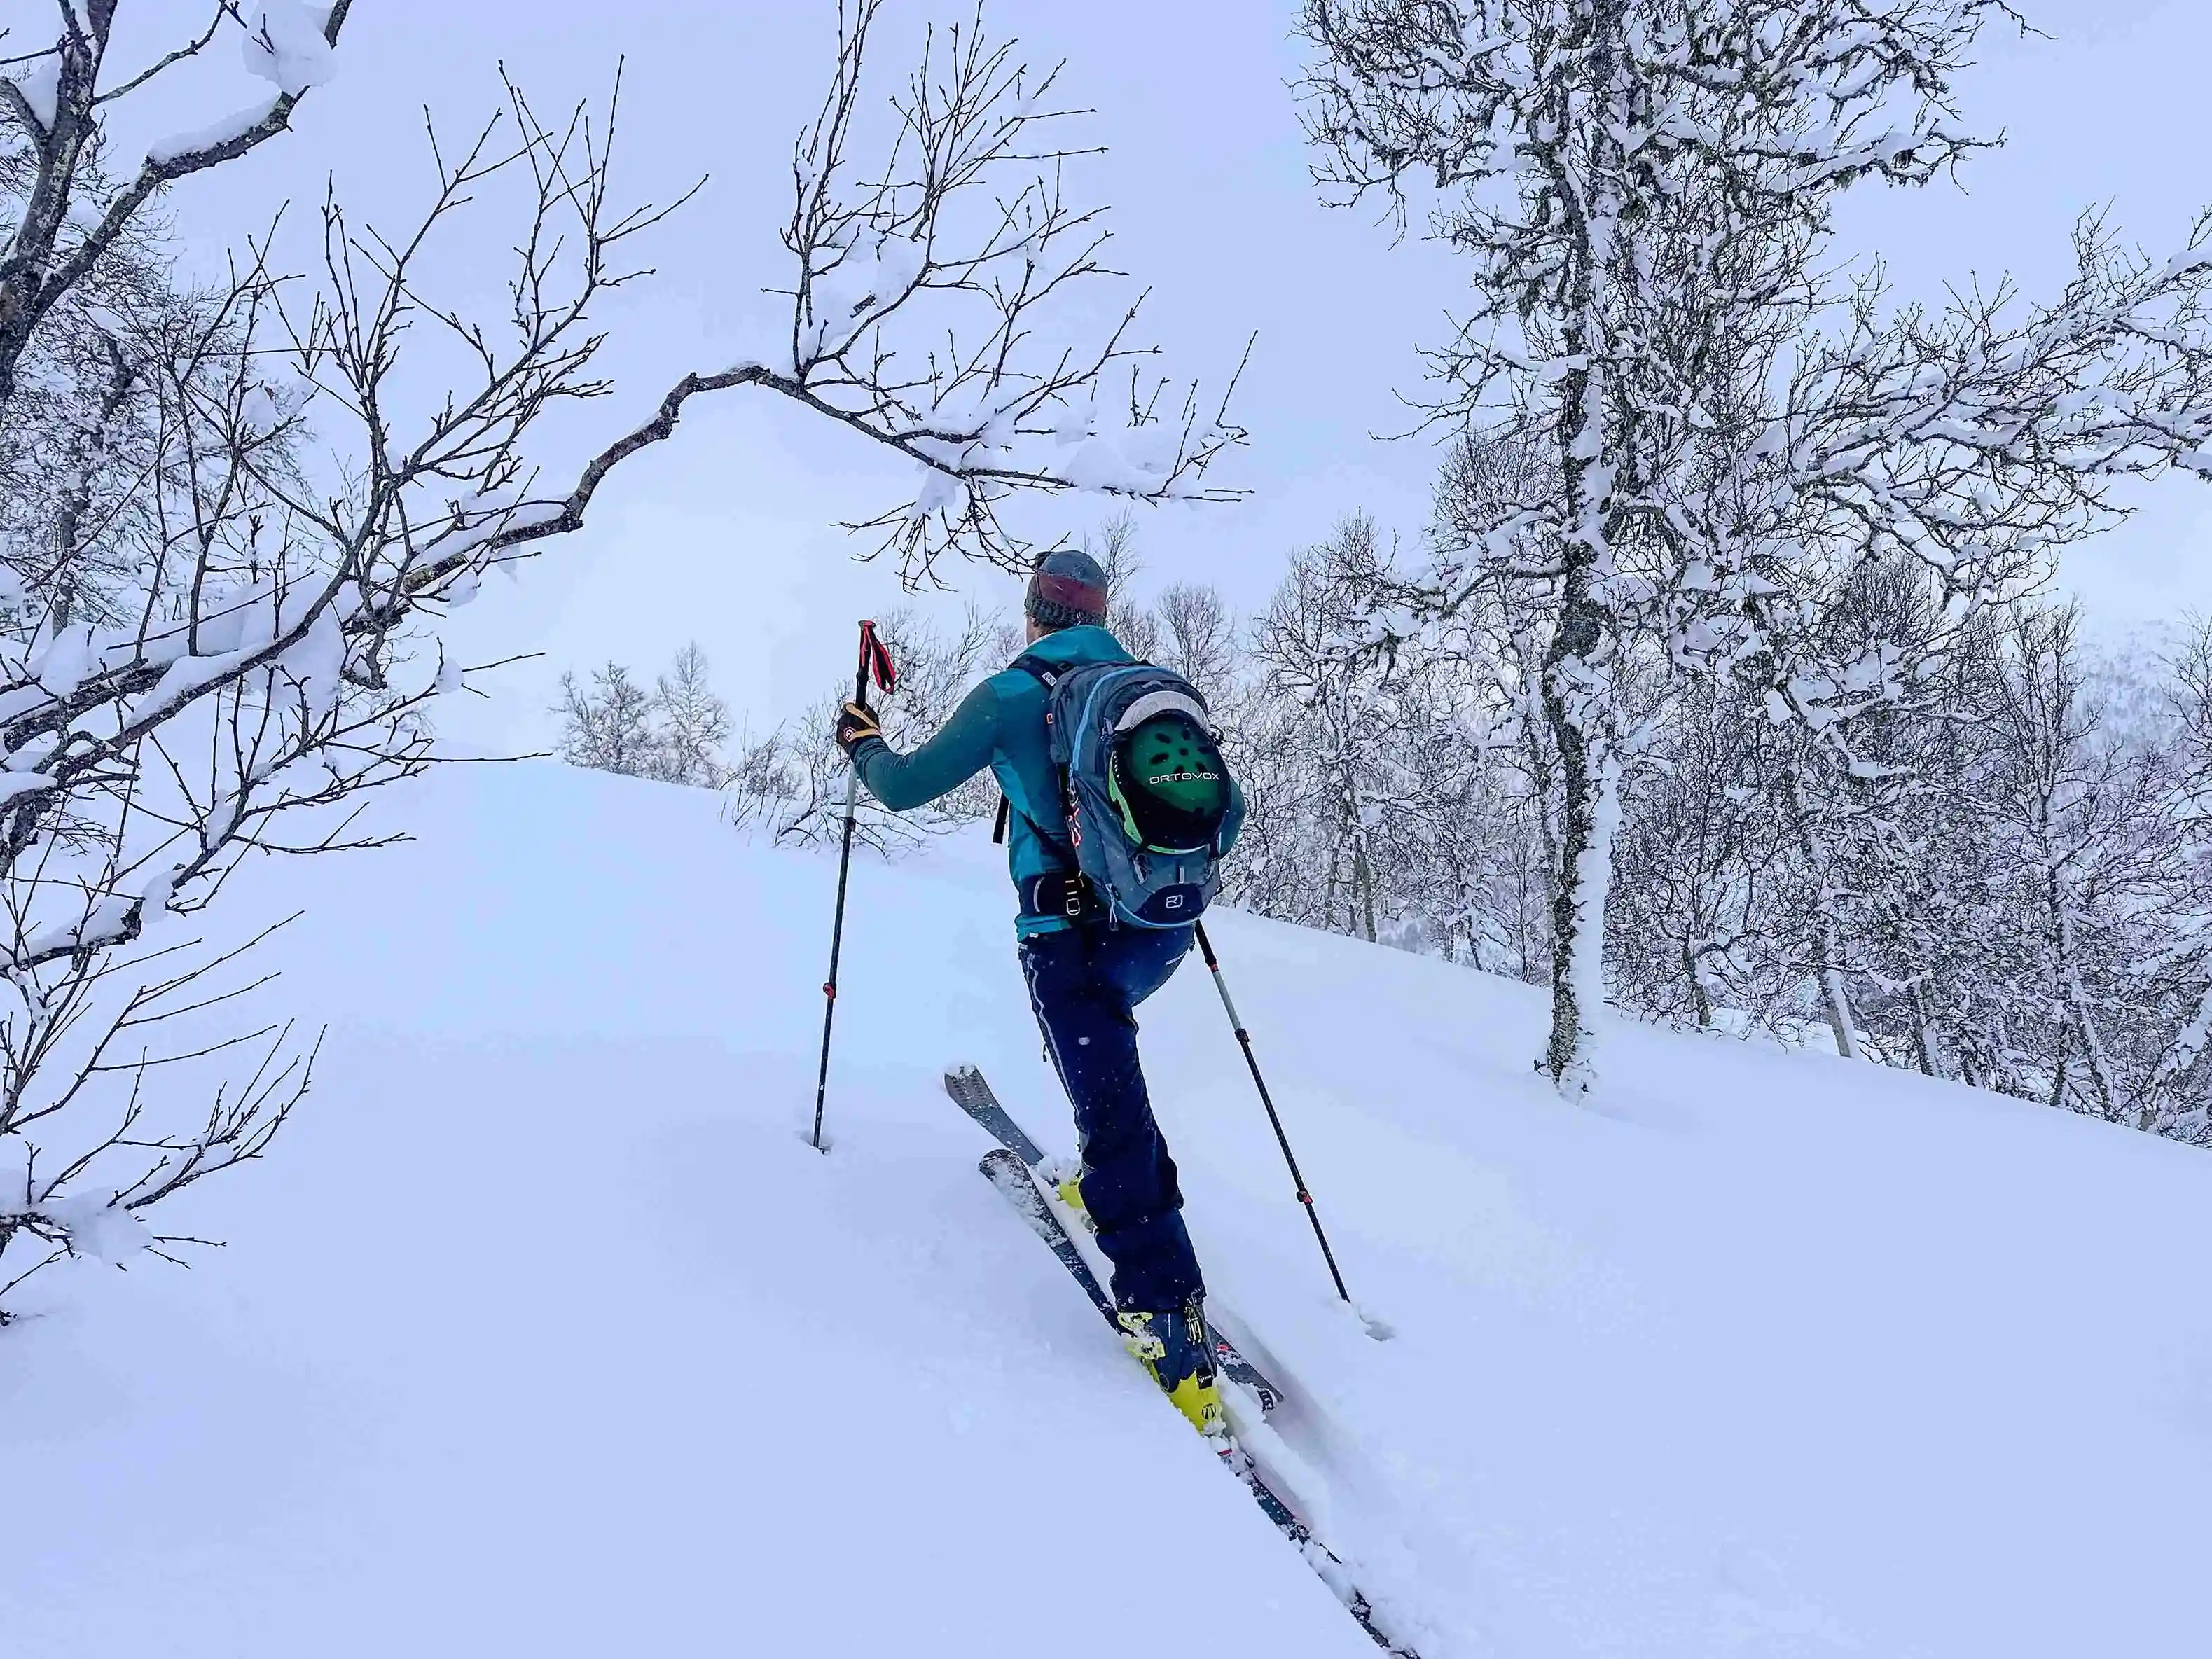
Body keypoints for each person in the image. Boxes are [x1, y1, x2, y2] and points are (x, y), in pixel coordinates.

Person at [834, 549, 1243, 1433]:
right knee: (1108, 1064)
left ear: (1032, 612)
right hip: (1160, 927)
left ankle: (1164, 1310)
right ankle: (1112, 1188)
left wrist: (860, 740)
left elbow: (902, 788)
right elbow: (1229, 812)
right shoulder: (1155, 688)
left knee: (1113, 1107)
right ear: (1099, 610)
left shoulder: (1010, 696)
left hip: (1064, 932)